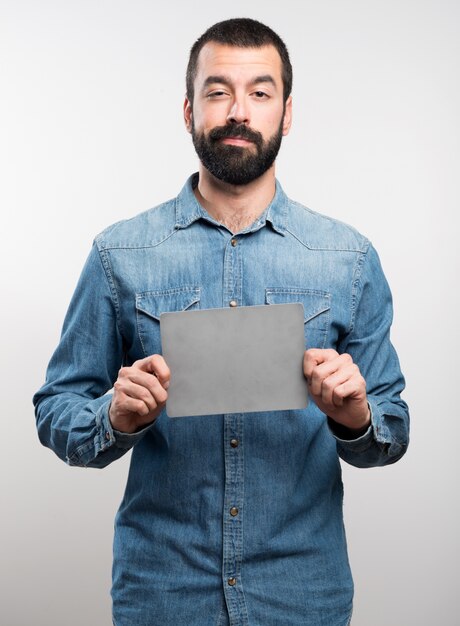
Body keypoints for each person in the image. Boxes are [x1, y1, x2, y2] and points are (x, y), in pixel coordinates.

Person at [33, 17, 409, 626]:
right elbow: (56, 410)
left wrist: (356, 418)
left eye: (260, 93)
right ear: (188, 110)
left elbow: (392, 431)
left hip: (302, 595)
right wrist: (113, 416)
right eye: (217, 92)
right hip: (162, 593)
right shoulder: (120, 254)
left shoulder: (349, 258)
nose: (239, 111)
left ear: (287, 113)